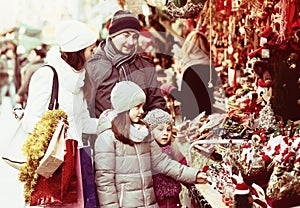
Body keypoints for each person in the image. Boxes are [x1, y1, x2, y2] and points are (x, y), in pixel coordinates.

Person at [94, 81, 207, 207]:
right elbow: (105, 182)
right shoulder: (107, 138)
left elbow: (163, 162)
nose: (142, 111)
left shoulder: (144, 133)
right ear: (124, 107)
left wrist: (194, 175)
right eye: (137, 107)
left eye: (142, 106)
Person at [22, 20, 99, 146]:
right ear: (78, 52)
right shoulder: (47, 75)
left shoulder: (80, 79)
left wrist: (111, 123)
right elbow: (29, 121)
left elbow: (82, 123)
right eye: (91, 50)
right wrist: (57, 134)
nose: (94, 54)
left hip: (76, 155)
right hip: (53, 159)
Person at [87, 9, 166, 118]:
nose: (131, 42)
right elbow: (86, 110)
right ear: (113, 35)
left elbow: (157, 103)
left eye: (135, 37)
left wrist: (151, 125)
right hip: (105, 133)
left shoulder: (145, 66)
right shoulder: (94, 67)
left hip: (141, 132)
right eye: (126, 35)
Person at [161, 30, 219, 121]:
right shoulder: (210, 68)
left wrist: (170, 89)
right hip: (207, 116)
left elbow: (186, 98)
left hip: (193, 119)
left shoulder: (191, 70)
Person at [144, 108, 189, 208]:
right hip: (155, 200)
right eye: (160, 129)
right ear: (150, 131)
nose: (165, 133)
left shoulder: (174, 149)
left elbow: (183, 167)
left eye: (168, 129)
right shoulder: (146, 151)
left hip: (173, 199)